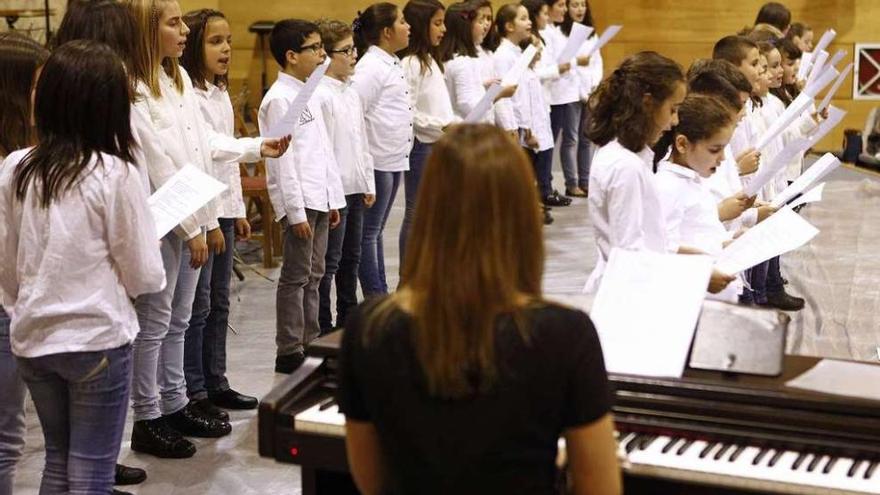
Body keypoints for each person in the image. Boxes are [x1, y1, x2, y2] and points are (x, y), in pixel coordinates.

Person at [338, 124, 621, 495]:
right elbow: (600, 488)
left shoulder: (368, 327)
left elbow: (373, 482)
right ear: (523, 215)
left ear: (429, 209)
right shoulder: (564, 334)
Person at [0, 39, 166, 495]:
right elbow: (145, 273)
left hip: (33, 338)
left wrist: (24, 306)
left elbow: (7, 263)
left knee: (57, 462)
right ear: (108, 106)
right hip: (97, 338)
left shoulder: (17, 167)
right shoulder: (115, 172)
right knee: (92, 470)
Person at [179, 8, 290, 415]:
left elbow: (225, 163)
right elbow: (207, 149)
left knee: (219, 303)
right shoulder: (186, 93)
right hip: (200, 210)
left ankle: (216, 380)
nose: (226, 48)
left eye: (228, 40)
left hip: (222, 208)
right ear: (193, 45)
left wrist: (237, 208)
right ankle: (193, 391)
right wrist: (257, 146)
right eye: (214, 41)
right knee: (198, 308)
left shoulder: (219, 91)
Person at [583, 51, 733, 294]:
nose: (674, 122)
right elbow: (630, 255)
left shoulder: (628, 156)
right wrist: (698, 274)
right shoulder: (625, 166)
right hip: (627, 293)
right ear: (648, 103)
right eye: (673, 110)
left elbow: (653, 241)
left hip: (638, 283)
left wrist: (703, 254)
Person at [259, 19, 345, 373]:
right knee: (296, 276)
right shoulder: (280, 99)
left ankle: (311, 339)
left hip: (320, 197)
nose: (322, 53)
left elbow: (321, 151)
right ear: (292, 56)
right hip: (301, 201)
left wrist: (333, 198)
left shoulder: (308, 92)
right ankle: (289, 347)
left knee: (316, 274)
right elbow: (283, 161)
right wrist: (294, 212)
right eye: (314, 48)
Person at [0, 31, 48, 495]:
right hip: (6, 304)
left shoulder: (25, 154)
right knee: (5, 439)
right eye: (37, 87)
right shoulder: (9, 162)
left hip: (16, 304)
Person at [315, 19, 376, 332]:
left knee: (351, 258)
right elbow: (323, 151)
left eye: (354, 49)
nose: (354, 55)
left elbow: (361, 140)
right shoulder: (321, 95)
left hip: (355, 186)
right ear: (324, 55)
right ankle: (324, 326)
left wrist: (368, 180)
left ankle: (348, 320)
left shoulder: (351, 92)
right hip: (334, 193)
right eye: (346, 50)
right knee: (330, 263)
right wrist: (330, 196)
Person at [350, 2, 413, 297]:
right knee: (369, 234)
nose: (409, 26)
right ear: (387, 32)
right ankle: (377, 297)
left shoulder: (389, 61)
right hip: (376, 159)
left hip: (393, 157)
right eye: (403, 22)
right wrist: (363, 166)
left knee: (376, 232)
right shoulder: (370, 68)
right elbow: (355, 113)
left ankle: (381, 294)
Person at [655, 94, 743, 301]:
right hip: (691, 298)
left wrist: (728, 242)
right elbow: (661, 249)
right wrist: (703, 268)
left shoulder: (695, 179)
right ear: (683, 144)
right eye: (715, 150)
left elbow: (699, 231)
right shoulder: (667, 186)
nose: (722, 158)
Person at [398, 0, 457, 267]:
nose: (443, 29)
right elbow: (407, 111)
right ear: (421, 26)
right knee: (416, 213)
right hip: (423, 146)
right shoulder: (411, 63)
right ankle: (409, 277)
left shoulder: (431, 60)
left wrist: (455, 122)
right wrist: (440, 126)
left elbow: (439, 105)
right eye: (437, 23)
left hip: (439, 144)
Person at [492, 3, 555, 224]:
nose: (529, 23)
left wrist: (528, 127)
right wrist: (519, 127)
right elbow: (509, 97)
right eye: (523, 19)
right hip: (514, 127)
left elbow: (526, 95)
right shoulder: (503, 56)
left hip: (523, 126)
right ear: (509, 26)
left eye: (529, 18)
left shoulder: (519, 52)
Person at [564, 0, 601, 195]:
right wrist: (581, 93)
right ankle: (571, 183)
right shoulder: (564, 34)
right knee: (571, 139)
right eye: (574, 5)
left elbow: (597, 62)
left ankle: (585, 181)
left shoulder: (591, 33)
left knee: (586, 139)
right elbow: (570, 67)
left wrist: (594, 89)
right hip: (572, 94)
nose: (579, 9)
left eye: (582, 5)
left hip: (589, 94)